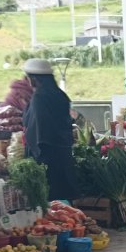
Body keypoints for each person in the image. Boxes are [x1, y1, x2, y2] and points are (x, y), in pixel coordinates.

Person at [22, 59, 79, 200]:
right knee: (64, 199)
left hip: (46, 158)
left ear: (33, 80)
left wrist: (33, 155)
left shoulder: (39, 98)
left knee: (51, 200)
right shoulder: (60, 95)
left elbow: (37, 130)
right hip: (64, 155)